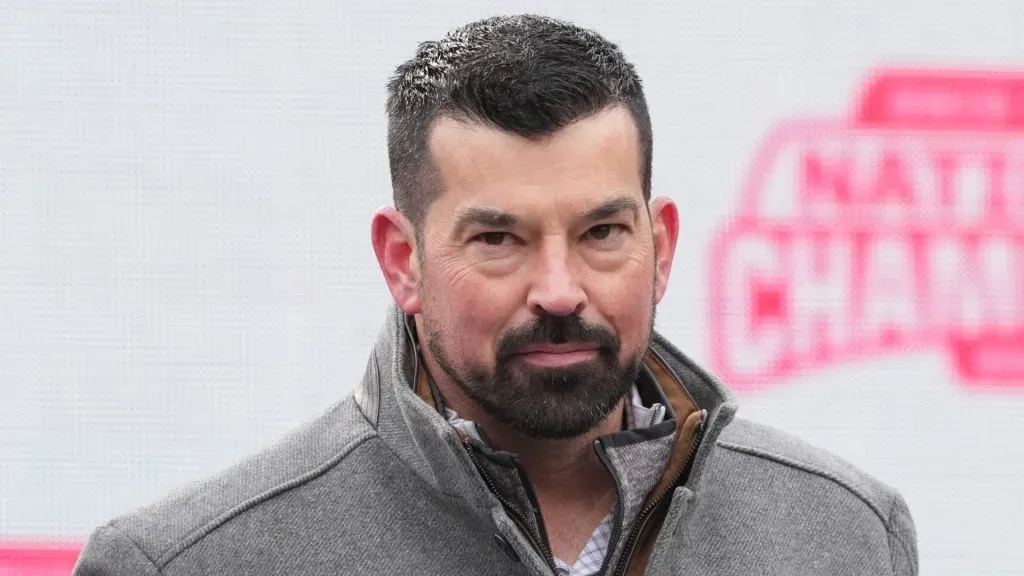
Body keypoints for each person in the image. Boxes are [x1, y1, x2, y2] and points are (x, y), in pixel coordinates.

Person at [73, 14, 918, 576]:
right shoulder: (192, 562)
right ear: (402, 260)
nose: (559, 291)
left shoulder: (844, 534)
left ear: (660, 247)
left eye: (601, 233)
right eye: (499, 240)